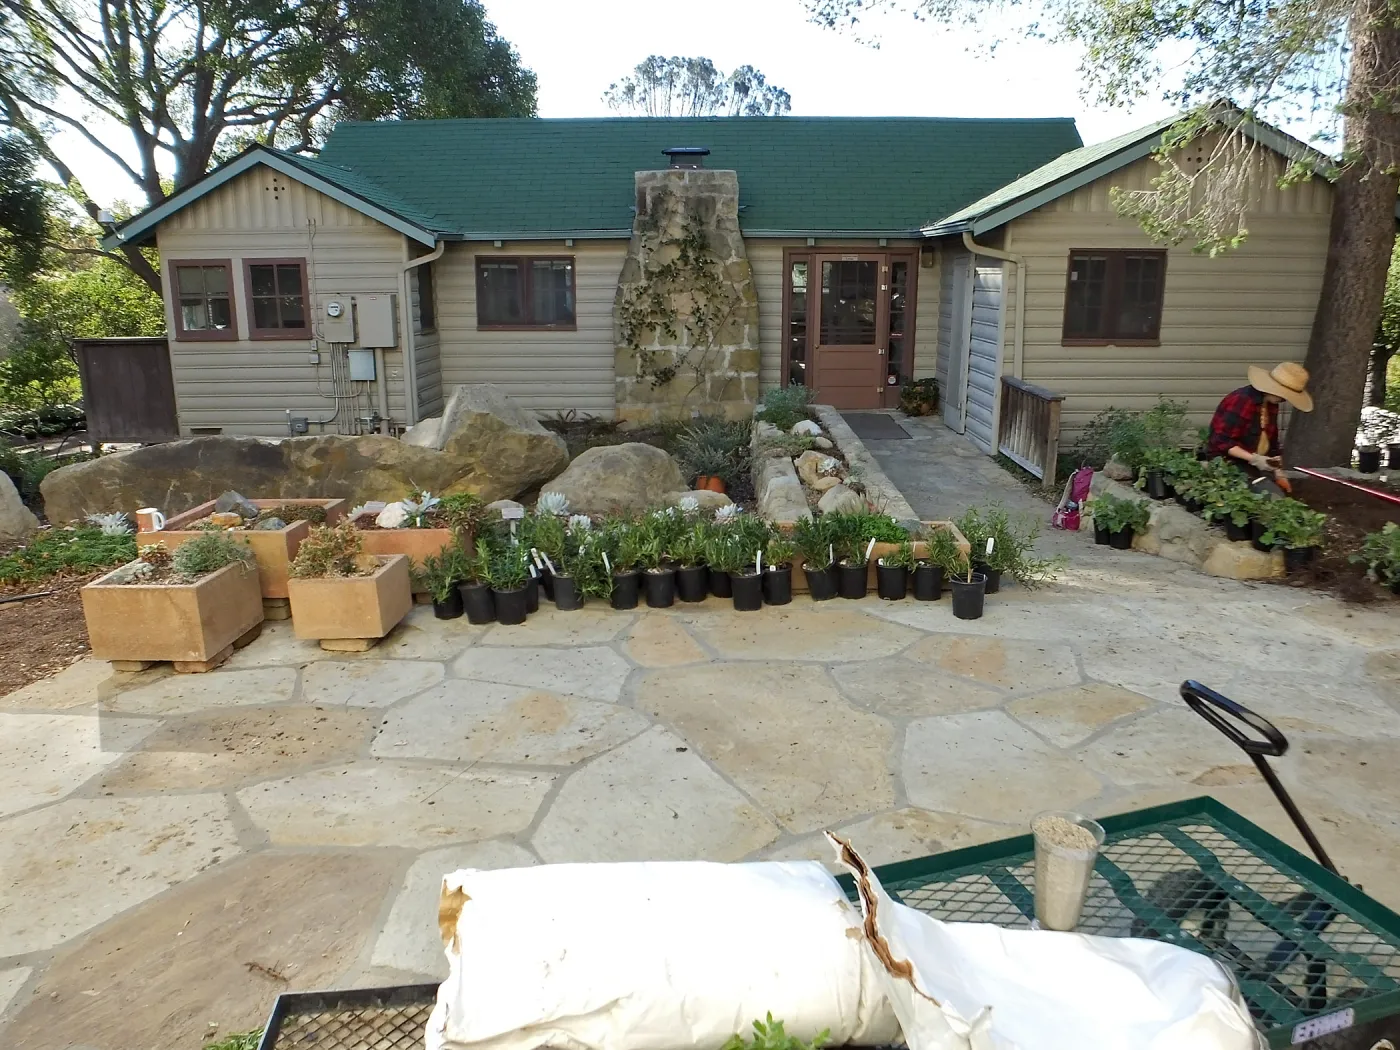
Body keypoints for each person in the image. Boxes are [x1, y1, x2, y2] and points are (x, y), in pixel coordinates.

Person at [1203, 362, 1313, 480]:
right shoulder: (1242, 400)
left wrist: (1277, 469)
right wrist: (1255, 459)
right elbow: (1221, 441)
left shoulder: (1271, 404)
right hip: (1227, 465)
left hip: (1252, 466)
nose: (1284, 399)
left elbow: (1272, 441)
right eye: (1283, 395)